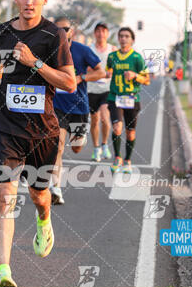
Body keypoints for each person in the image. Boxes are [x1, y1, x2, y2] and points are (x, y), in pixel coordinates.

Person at [0, 0, 75, 287]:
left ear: (44, 0)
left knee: (40, 196)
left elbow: (69, 83)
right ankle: (4, 272)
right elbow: (2, 63)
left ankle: (44, 220)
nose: (28, 2)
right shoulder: (3, 32)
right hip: (6, 127)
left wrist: (35, 62)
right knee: (4, 197)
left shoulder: (54, 36)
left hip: (42, 131)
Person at [50, 17, 105, 205]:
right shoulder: (50, 50)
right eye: (58, 30)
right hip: (57, 106)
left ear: (71, 31)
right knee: (57, 146)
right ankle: (55, 188)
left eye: (65, 29)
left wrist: (81, 77)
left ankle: (82, 136)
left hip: (79, 107)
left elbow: (101, 72)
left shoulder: (82, 50)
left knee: (76, 147)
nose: (62, 33)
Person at [106, 27, 150, 174]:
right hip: (115, 97)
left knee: (130, 132)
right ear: (118, 39)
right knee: (117, 128)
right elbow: (108, 72)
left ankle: (127, 160)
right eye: (121, 36)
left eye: (127, 36)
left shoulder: (137, 58)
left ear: (132, 39)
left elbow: (147, 80)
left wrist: (135, 76)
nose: (123, 38)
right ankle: (117, 157)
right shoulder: (112, 56)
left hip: (132, 98)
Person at [87, 22, 117, 162]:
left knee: (105, 119)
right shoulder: (89, 49)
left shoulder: (112, 49)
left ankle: (105, 144)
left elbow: (116, 68)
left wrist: (109, 73)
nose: (101, 34)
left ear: (107, 33)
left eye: (103, 31)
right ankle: (96, 148)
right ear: (95, 33)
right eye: (98, 31)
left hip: (107, 89)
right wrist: (99, 73)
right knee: (95, 121)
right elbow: (85, 68)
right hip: (91, 89)